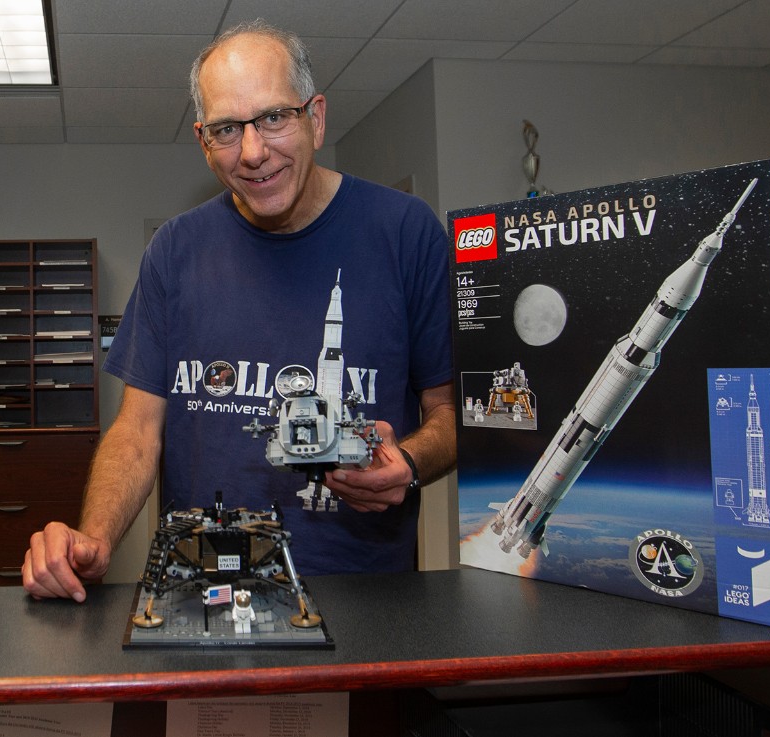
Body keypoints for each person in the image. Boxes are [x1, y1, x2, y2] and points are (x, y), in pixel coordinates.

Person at [22, 20, 455, 602]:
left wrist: (408, 461)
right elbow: (138, 430)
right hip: (203, 594)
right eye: (227, 129)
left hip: (367, 601)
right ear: (204, 142)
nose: (253, 153)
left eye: (274, 117)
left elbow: (453, 414)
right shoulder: (174, 250)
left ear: (316, 118)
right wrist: (94, 539)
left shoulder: (406, 233)